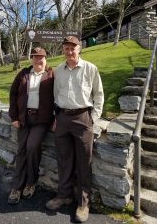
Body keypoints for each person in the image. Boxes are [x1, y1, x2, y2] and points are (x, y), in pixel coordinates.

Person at [46, 36, 104, 223]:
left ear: (79, 49)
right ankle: (63, 195)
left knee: (83, 162)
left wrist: (92, 119)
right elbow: (56, 94)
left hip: (82, 118)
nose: (69, 51)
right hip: (62, 118)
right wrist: (57, 116)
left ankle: (83, 203)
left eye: (73, 48)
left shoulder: (90, 69)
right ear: (63, 49)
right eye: (66, 48)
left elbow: (99, 95)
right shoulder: (59, 71)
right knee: (64, 159)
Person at [8, 47, 54, 205]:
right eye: (35, 57)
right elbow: (13, 94)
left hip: (41, 120)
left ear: (46, 59)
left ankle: (31, 183)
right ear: (31, 59)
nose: (38, 60)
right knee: (21, 150)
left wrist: (56, 120)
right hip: (24, 119)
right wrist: (13, 116)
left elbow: (59, 97)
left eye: (41, 57)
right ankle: (17, 186)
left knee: (32, 146)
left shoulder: (51, 75)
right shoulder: (23, 74)